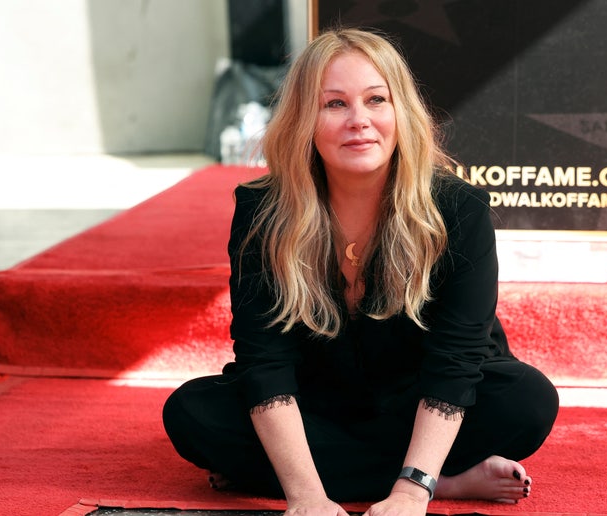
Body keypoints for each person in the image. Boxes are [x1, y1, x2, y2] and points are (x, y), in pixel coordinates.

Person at [163, 27, 559, 516]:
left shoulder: (458, 209)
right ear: (304, 118)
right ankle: (448, 480)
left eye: (376, 100)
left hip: (421, 395)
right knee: (191, 413)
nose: (360, 121)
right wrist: (306, 497)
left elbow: (455, 362)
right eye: (334, 104)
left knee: (528, 401)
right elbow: (264, 361)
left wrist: (412, 494)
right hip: (319, 399)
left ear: (401, 112)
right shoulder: (262, 211)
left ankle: (404, 476)